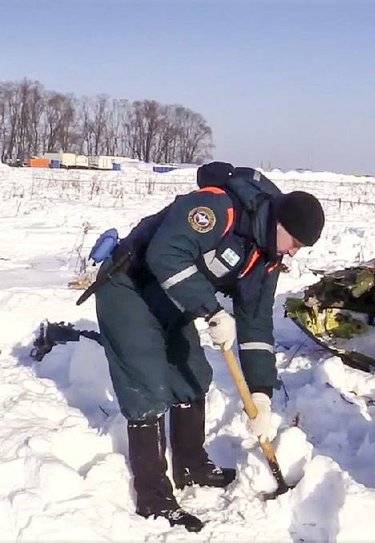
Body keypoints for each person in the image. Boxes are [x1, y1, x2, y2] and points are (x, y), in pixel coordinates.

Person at [92, 162, 325, 532]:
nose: (295, 252)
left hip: (173, 300)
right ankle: (153, 497)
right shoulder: (218, 209)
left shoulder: (265, 258)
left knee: (193, 376)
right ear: (279, 223)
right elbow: (165, 255)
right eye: (295, 242)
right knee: (149, 389)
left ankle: (190, 465)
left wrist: (261, 393)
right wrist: (212, 310)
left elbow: (257, 324)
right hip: (128, 288)